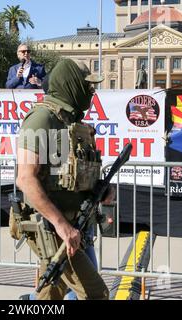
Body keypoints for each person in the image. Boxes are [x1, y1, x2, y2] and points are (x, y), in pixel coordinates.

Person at [16, 58, 112, 300]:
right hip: (54, 228)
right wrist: (61, 225)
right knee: (96, 294)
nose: (91, 91)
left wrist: (101, 191)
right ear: (69, 84)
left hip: (77, 226)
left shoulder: (72, 123)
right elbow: (26, 179)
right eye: (86, 85)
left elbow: (73, 174)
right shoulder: (41, 119)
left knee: (53, 292)